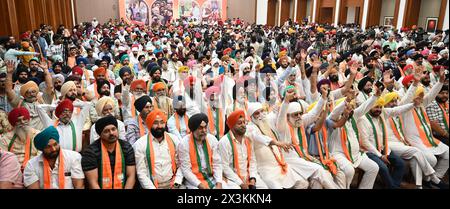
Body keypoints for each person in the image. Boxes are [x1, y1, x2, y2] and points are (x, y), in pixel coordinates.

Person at [246, 102, 309, 189]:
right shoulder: (250, 128)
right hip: (266, 170)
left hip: (279, 166)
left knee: (303, 183)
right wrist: (277, 143)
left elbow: (279, 117)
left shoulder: (267, 124)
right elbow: (258, 137)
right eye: (257, 113)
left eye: (262, 111)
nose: (261, 114)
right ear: (251, 117)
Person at [81, 116, 136, 189]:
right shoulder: (90, 152)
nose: (111, 133)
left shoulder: (126, 147)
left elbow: (131, 176)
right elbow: (93, 183)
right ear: (100, 134)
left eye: (113, 129)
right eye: (106, 131)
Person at [218, 109, 268, 189]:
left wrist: (252, 178)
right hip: (233, 179)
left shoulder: (248, 139)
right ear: (232, 126)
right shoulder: (224, 142)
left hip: (248, 176)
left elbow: (252, 161)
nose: (243, 125)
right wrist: (241, 183)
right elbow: (225, 167)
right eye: (239, 123)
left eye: (244, 122)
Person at [133, 110, 183, 189]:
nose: (159, 126)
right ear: (149, 124)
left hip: (173, 183)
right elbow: (141, 173)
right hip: (151, 186)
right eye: (155, 123)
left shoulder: (174, 139)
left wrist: (177, 182)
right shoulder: (140, 144)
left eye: (162, 122)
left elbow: (181, 164)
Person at [178, 113, 225, 189]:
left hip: (211, 178)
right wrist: (200, 185)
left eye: (205, 127)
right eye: (200, 128)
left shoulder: (212, 139)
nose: (204, 130)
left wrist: (219, 183)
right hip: (193, 182)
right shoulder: (184, 144)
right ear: (193, 129)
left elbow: (217, 163)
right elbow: (186, 170)